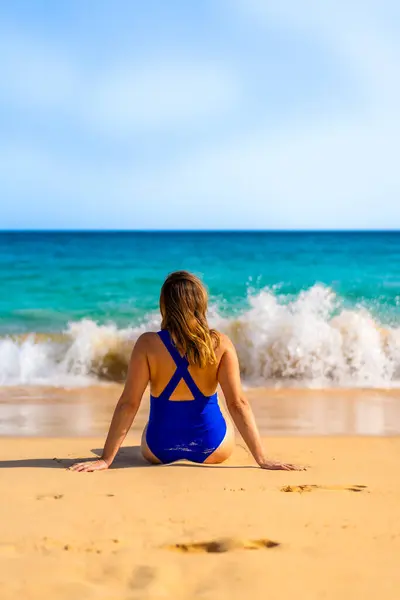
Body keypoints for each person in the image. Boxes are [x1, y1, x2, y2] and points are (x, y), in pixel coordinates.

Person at [71, 271, 303, 472]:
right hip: (213, 448)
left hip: (158, 449)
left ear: (165, 305)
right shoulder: (221, 343)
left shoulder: (147, 344)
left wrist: (106, 459)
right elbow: (238, 404)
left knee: (154, 419)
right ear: (201, 303)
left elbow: (129, 404)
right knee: (220, 402)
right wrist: (262, 459)